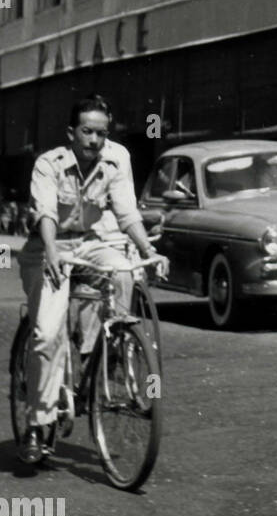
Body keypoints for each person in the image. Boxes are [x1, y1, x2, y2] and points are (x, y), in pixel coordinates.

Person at [17, 95, 166, 464]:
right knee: (47, 334)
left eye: (101, 132)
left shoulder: (118, 158)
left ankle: (108, 351)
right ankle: (38, 423)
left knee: (122, 272)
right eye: (87, 132)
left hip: (91, 245)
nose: (95, 140)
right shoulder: (48, 164)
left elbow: (127, 211)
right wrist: (52, 252)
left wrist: (148, 251)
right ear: (72, 132)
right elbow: (46, 213)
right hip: (47, 250)